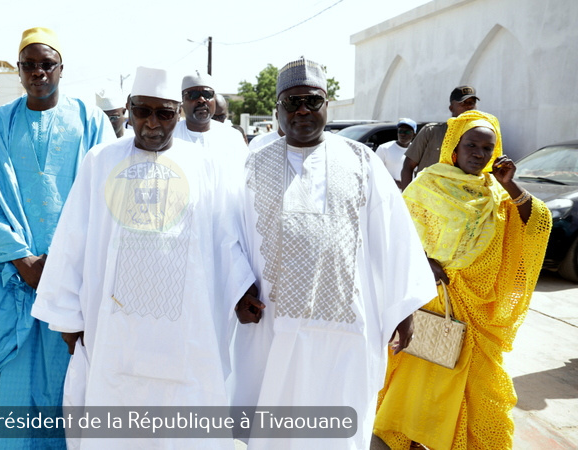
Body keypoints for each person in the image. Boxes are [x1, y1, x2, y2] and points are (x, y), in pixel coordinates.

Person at [31, 66, 255, 450]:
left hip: (187, 331)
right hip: (115, 332)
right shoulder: (101, 160)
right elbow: (73, 239)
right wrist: (69, 315)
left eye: (164, 113)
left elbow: (225, 238)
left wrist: (240, 289)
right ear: (129, 109)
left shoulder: (205, 165)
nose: (152, 123)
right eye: (142, 111)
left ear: (177, 113)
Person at [229, 57, 436, 450]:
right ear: (277, 110)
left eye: (311, 100)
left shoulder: (362, 161)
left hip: (346, 328)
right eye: (291, 103)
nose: (302, 110)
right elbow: (230, 236)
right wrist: (238, 289)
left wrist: (404, 309)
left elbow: (394, 235)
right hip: (273, 326)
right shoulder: (253, 166)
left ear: (327, 105)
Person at [0, 27, 115, 448]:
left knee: (70, 388)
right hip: (14, 280)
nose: (38, 72)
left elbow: (110, 195)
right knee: (14, 392)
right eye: (29, 65)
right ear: (18, 73)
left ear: (61, 68)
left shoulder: (91, 122)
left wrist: (63, 268)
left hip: (75, 283)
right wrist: (23, 260)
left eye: (47, 64)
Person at [373, 110, 552, 450]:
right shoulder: (427, 184)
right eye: (471, 145)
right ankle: (410, 439)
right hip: (430, 302)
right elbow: (397, 238)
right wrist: (423, 262)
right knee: (420, 382)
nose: (479, 154)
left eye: (488, 148)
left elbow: (536, 223)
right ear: (455, 146)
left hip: (479, 309)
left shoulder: (496, 193)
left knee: (478, 388)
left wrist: (509, 183)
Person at [399, 86, 479, 189]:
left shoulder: (480, 137)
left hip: (459, 200)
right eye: (462, 103)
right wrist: (406, 200)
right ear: (451, 108)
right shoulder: (431, 132)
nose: (468, 107)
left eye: (471, 103)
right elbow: (408, 166)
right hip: (426, 198)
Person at [173, 70, 248, 158]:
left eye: (207, 94)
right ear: (182, 100)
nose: (201, 99)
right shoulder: (170, 137)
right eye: (193, 94)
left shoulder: (232, 137)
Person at [375, 118, 416, 188]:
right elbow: (376, 170)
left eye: (407, 132)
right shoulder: (384, 148)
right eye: (400, 131)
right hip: (388, 192)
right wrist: (395, 183)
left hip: (408, 194)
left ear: (414, 134)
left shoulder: (416, 150)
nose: (403, 134)